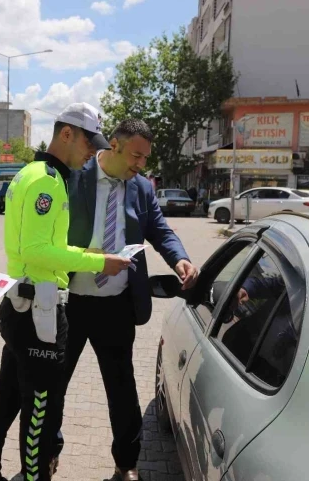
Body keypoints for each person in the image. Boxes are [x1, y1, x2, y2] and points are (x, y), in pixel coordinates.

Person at [0, 102, 132, 481]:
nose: (94, 151)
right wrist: (96, 262)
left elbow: (38, 245)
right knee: (39, 409)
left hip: (24, 303)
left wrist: (86, 254)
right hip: (39, 310)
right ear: (66, 134)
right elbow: (36, 250)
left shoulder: (30, 172)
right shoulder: (47, 181)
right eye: (89, 142)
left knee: (5, 398)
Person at [65, 119, 199, 481]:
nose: (141, 164)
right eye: (136, 155)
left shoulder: (140, 188)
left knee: (122, 390)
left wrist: (179, 257)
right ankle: (48, 454)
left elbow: (158, 229)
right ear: (115, 144)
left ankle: (126, 463)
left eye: (145, 158)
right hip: (68, 303)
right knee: (53, 385)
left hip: (116, 305)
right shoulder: (74, 176)